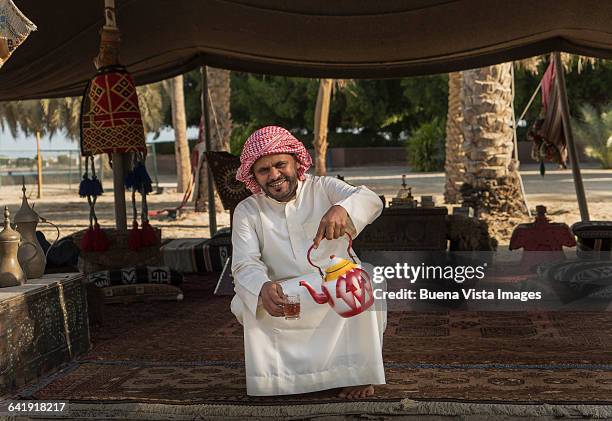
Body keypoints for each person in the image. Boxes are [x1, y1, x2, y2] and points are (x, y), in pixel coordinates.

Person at [230, 126, 386, 398]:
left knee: (364, 279)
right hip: (284, 293)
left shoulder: (323, 188)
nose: (275, 175)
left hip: (334, 284)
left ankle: (357, 374)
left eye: (280, 165)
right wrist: (262, 287)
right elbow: (245, 263)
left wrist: (343, 208)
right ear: (254, 176)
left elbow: (372, 200)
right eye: (264, 170)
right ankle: (279, 379)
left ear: (296, 162)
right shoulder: (247, 211)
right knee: (245, 301)